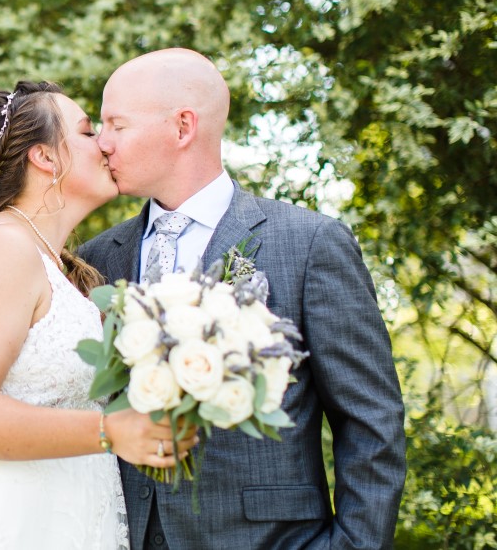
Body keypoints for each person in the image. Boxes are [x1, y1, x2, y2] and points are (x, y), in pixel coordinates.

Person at [78, 49, 406, 549]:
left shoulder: (310, 243)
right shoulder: (96, 259)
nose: (101, 144)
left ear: (182, 127)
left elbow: (370, 421)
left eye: (115, 125)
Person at [0, 80, 197, 549]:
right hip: (8, 527)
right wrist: (112, 432)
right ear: (44, 157)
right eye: (87, 133)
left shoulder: (65, 267)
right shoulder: (0, 248)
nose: (105, 143)